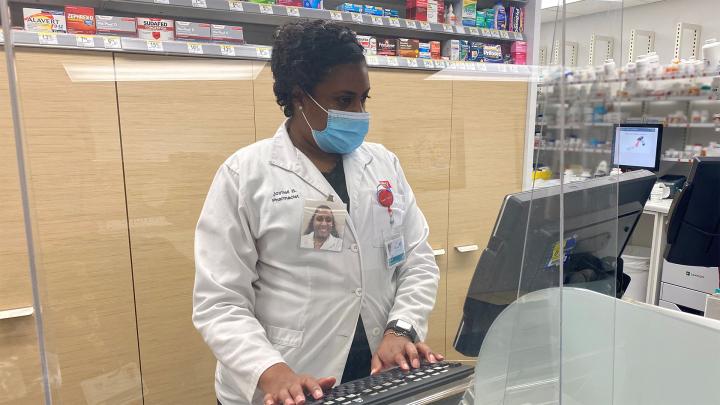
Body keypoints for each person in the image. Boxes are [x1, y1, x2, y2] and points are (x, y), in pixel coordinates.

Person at [193, 19, 441, 405]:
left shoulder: (383, 165)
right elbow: (219, 302)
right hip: (291, 380)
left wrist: (400, 329)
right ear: (298, 97)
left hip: (378, 372)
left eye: (364, 98)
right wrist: (272, 373)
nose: (358, 112)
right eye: (344, 100)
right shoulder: (246, 175)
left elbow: (417, 261)